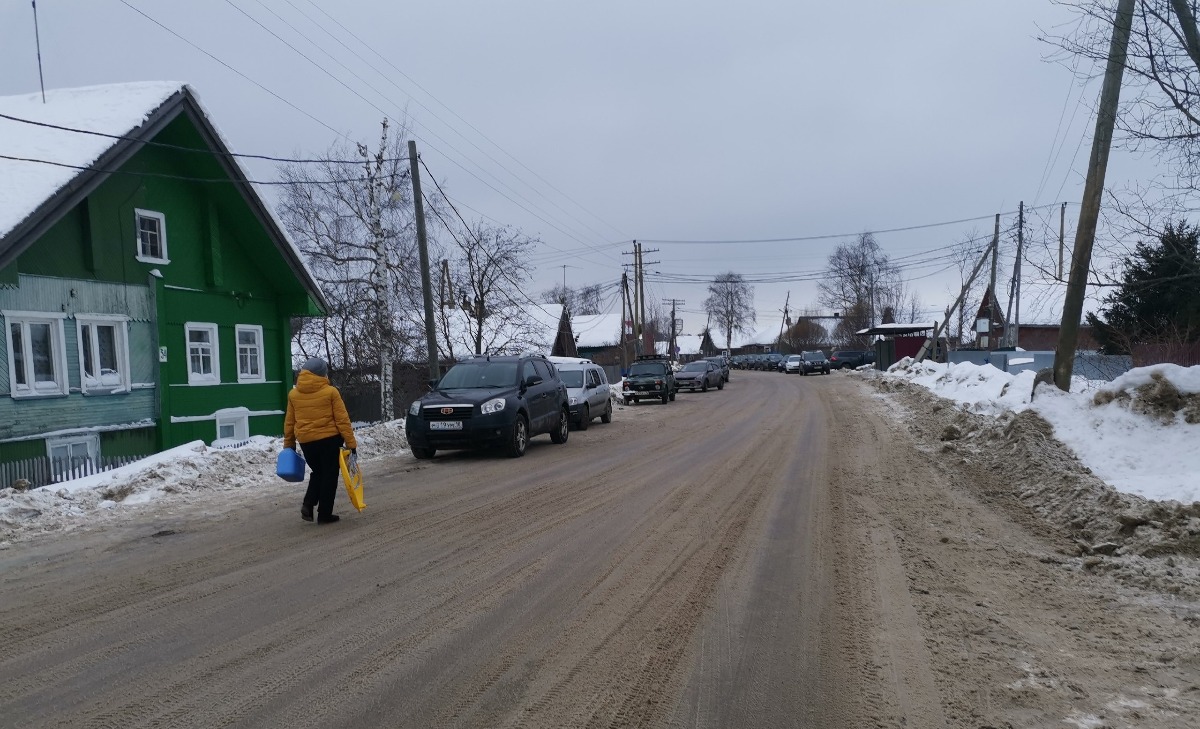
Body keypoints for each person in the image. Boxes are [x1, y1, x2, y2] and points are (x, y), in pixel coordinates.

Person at [283, 357, 357, 524]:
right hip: (329, 440)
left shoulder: (293, 394)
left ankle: (308, 504)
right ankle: (324, 514)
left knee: (318, 472)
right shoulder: (331, 392)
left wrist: (289, 444)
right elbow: (342, 420)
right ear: (322, 374)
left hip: (307, 442)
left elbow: (290, 421)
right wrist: (351, 443)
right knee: (329, 476)